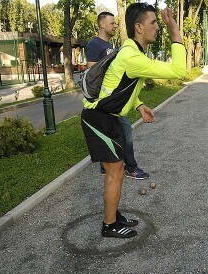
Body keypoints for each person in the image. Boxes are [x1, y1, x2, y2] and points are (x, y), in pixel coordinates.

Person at [80, 3, 186, 238]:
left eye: (158, 23)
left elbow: (119, 84)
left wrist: (138, 104)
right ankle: (109, 225)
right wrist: (175, 30)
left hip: (109, 118)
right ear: (139, 27)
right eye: (154, 23)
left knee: (115, 171)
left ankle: (113, 215)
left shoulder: (131, 51)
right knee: (115, 171)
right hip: (98, 118)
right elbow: (180, 70)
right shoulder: (131, 56)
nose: (158, 27)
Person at [86, 11, 149, 180]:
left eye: (114, 23)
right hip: (104, 102)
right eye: (111, 23)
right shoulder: (94, 45)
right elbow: (93, 73)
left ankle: (106, 166)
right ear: (101, 25)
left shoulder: (111, 46)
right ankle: (130, 167)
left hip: (113, 101)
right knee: (126, 130)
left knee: (115, 132)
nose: (114, 26)